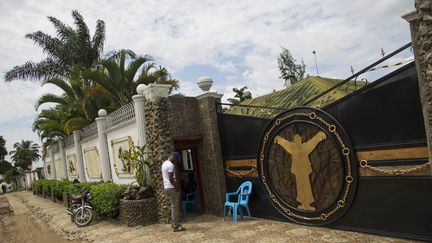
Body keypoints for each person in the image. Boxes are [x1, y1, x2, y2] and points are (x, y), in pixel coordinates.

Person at [161, 151, 185, 232]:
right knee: (174, 207)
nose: (176, 162)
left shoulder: (164, 163)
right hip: (171, 187)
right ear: (174, 158)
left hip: (166, 187)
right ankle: (176, 227)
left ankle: (174, 224)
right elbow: (171, 178)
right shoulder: (171, 165)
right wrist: (177, 187)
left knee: (173, 206)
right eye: (176, 160)